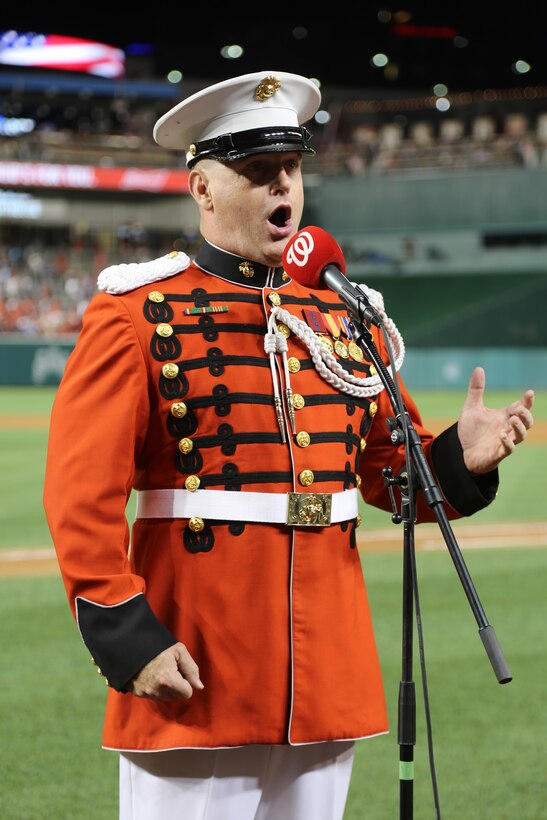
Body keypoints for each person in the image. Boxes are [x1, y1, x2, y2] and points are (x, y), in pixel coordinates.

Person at [43, 70, 534, 820]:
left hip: (323, 652)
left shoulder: (343, 316)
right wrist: (125, 632)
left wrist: (457, 456)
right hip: (195, 647)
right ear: (203, 190)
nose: (283, 189)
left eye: (292, 170)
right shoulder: (137, 313)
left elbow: (387, 476)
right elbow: (81, 496)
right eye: (257, 173)